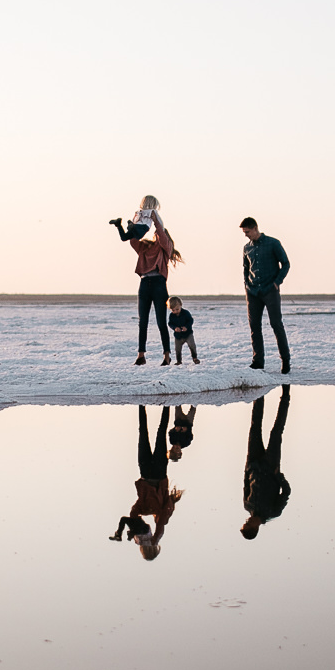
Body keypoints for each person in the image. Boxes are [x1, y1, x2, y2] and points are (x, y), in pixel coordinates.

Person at [110, 405, 185, 560]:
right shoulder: (163, 514)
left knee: (142, 433)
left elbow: (132, 513)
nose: (146, 538)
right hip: (158, 473)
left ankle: (141, 403)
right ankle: (166, 404)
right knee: (160, 433)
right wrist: (155, 539)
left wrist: (134, 529)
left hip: (145, 472)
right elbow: (161, 523)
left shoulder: (143, 508)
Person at [116, 203, 182, 365]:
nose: (155, 235)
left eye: (159, 234)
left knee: (161, 322)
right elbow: (132, 240)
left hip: (159, 285)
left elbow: (160, 234)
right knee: (142, 322)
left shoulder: (165, 248)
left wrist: (156, 221)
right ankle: (141, 355)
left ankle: (167, 355)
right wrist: (132, 224)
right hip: (144, 284)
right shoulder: (144, 247)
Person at [240, 216, 290, 373]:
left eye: (247, 232)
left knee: (276, 324)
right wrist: (246, 285)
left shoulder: (273, 243)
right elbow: (245, 268)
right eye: (244, 232)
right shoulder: (246, 248)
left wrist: (277, 282)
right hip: (253, 292)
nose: (246, 235)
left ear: (255, 228)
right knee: (254, 326)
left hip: (270, 290)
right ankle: (257, 362)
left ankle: (286, 361)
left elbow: (286, 263)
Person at [241, 386, 291, 540]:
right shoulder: (273, 512)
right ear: (255, 528)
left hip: (253, 463)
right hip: (271, 466)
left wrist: (248, 468)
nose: (247, 521)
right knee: (276, 432)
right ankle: (286, 395)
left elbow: (245, 484)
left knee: (255, 427)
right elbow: (286, 492)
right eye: (248, 525)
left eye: (245, 523)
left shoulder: (247, 506)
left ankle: (259, 395)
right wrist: (279, 476)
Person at [167, 296, 198, 364]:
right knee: (177, 349)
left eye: (177, 309)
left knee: (192, 345)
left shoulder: (185, 313)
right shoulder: (171, 316)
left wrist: (186, 327)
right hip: (178, 336)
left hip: (188, 334)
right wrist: (175, 328)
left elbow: (190, 320)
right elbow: (170, 323)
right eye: (173, 310)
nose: (175, 311)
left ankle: (195, 358)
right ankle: (179, 361)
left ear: (181, 305)